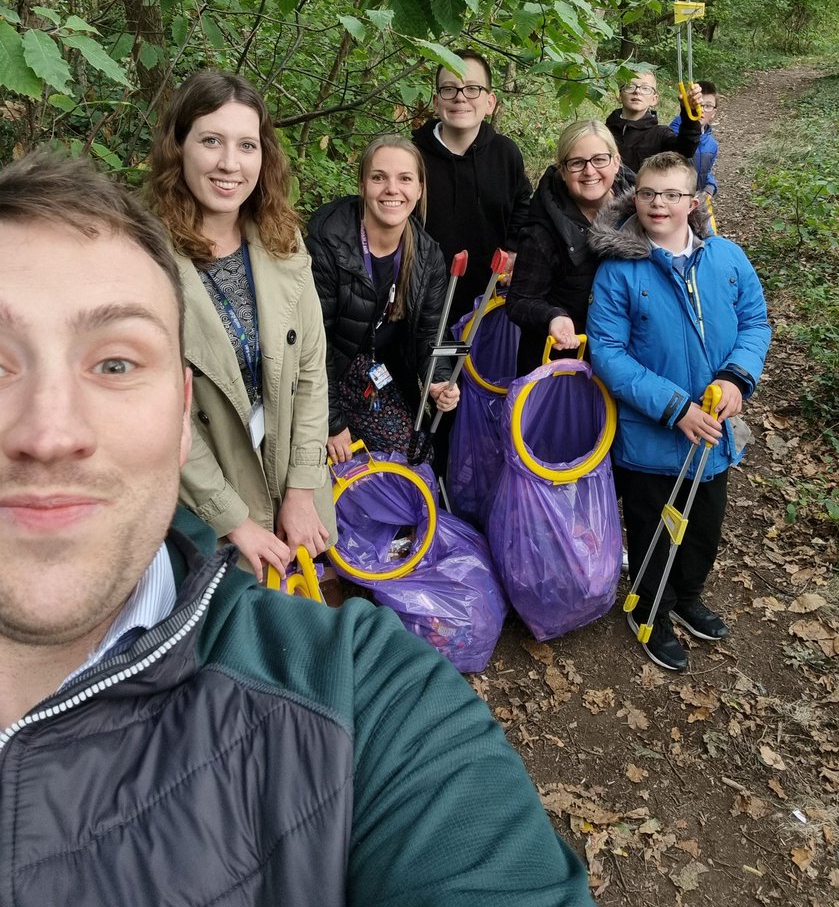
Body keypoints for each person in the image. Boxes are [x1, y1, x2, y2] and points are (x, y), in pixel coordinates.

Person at [0, 149, 593, 905]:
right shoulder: (327, 241)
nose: (50, 433)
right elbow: (330, 359)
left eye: (115, 364)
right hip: (311, 418)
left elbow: (353, 352)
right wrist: (307, 461)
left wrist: (427, 388)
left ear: (175, 410)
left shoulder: (360, 700)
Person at [586, 152, 770, 672]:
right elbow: (608, 355)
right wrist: (674, 408)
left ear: (694, 202)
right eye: (648, 193)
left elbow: (755, 321)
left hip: (712, 436)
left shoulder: (727, 258)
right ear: (635, 198)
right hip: (651, 440)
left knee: (704, 528)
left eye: (671, 194)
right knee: (654, 531)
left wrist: (736, 378)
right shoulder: (619, 272)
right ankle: (652, 609)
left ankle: (687, 598)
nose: (658, 204)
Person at [146, 70, 333, 582]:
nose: (230, 163)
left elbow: (312, 374)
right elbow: (158, 415)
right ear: (178, 147)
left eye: (246, 145)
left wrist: (301, 488)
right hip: (209, 495)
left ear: (263, 157)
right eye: (211, 141)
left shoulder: (284, 242)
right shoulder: (146, 263)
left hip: (292, 478)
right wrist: (234, 521)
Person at [306, 135, 459, 464]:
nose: (392, 189)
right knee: (336, 463)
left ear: (419, 188)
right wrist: (332, 424)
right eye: (379, 177)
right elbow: (312, 344)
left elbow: (430, 332)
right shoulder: (328, 245)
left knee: (415, 456)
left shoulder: (427, 255)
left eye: (405, 178)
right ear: (362, 185)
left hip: (380, 374)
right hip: (326, 375)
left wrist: (438, 380)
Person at [413, 49, 532, 324]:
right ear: (436, 101)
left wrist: (513, 251)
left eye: (472, 89)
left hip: (487, 302)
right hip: (423, 302)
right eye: (449, 89)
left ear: (490, 101)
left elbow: (522, 205)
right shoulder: (412, 157)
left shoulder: (506, 154)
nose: (460, 97)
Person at [506, 119, 632, 376]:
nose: (589, 171)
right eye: (577, 163)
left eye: (599, 159)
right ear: (562, 171)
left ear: (616, 162)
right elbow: (518, 301)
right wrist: (552, 316)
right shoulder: (543, 230)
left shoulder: (642, 212)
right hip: (561, 366)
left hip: (629, 360)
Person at [605, 69, 702, 175]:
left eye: (645, 88)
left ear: (654, 99)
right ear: (619, 95)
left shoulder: (660, 135)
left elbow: (685, 150)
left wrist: (689, 111)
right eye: (630, 86)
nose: (637, 91)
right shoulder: (604, 132)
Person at [670, 79, 719, 197]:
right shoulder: (672, 135)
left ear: (714, 112)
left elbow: (706, 172)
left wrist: (709, 187)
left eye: (707, 106)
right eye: (698, 104)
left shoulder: (712, 144)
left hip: (697, 202)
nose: (701, 110)